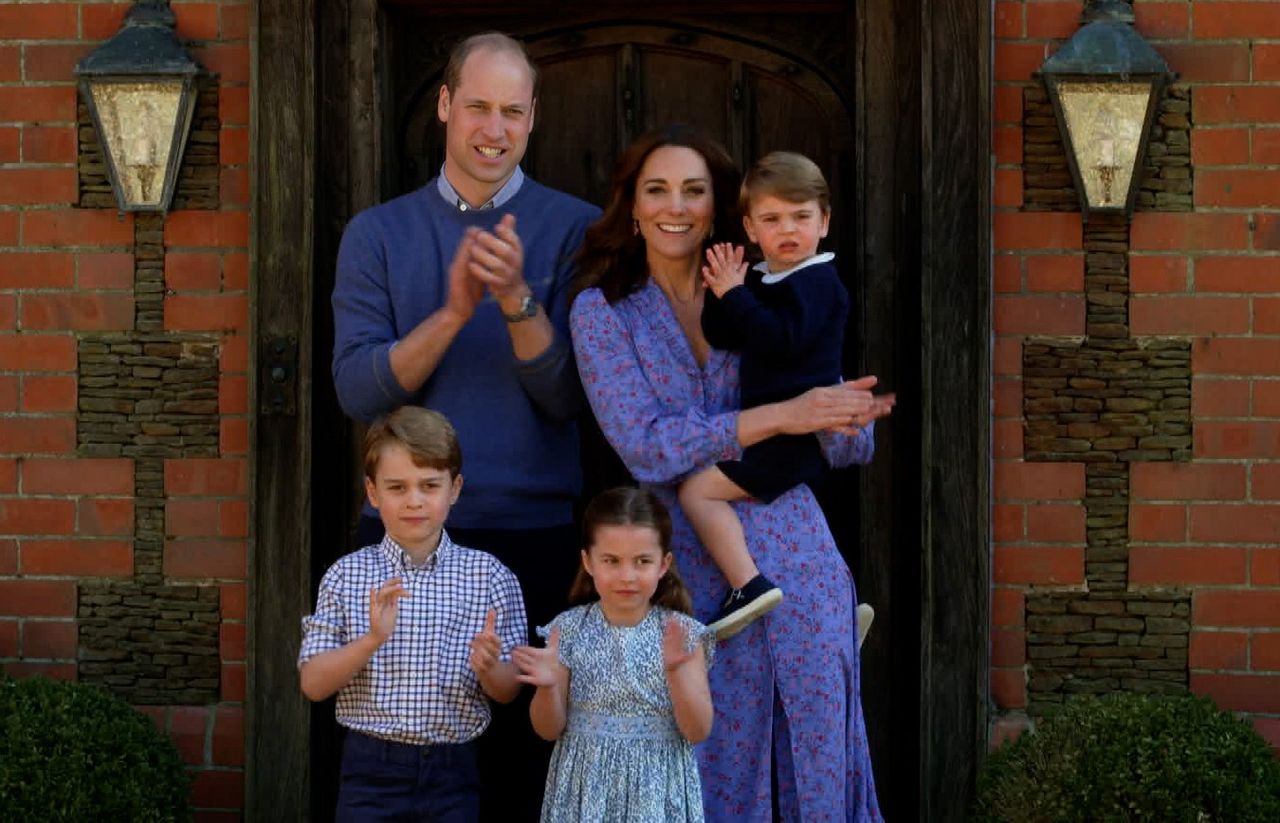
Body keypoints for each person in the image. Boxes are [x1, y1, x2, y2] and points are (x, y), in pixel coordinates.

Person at [568, 124, 892, 821]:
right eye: (657, 190)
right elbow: (646, 446)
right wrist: (781, 416)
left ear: (716, 209)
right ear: (633, 206)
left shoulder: (772, 288)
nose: (674, 205)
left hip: (799, 554)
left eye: (694, 190)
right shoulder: (603, 313)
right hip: (686, 566)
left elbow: (840, 440)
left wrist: (844, 418)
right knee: (705, 763)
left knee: (814, 746)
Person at [329, 31, 600, 818]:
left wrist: (516, 300)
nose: (494, 128)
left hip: (536, 538)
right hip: (406, 541)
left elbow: (570, 398)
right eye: (477, 105)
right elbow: (356, 389)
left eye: (512, 111)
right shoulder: (377, 234)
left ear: (534, 118)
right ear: (445, 105)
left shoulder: (575, 229)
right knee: (409, 766)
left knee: (523, 773)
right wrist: (452, 312)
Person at [298, 407, 526, 821]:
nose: (415, 500)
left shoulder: (490, 576)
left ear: (454, 488)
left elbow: (509, 691)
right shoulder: (347, 575)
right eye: (397, 487)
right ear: (372, 492)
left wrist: (491, 668)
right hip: (370, 769)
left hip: (452, 770)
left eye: (429, 485)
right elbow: (313, 684)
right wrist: (370, 640)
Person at [680, 151, 854, 640]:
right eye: (772, 219)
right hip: (771, 431)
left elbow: (782, 341)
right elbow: (724, 334)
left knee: (697, 491)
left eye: (801, 217)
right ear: (751, 230)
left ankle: (747, 585)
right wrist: (723, 288)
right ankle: (830, 614)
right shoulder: (766, 278)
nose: (788, 230)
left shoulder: (819, 281)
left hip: (793, 438)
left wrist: (738, 295)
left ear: (824, 222)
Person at [512, 487, 714, 823]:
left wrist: (677, 674)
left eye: (642, 561)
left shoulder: (682, 634)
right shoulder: (569, 629)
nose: (627, 576)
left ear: (664, 564)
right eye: (611, 561)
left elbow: (698, 731)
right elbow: (548, 730)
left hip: (656, 791)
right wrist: (548, 687)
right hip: (584, 788)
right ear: (588, 561)